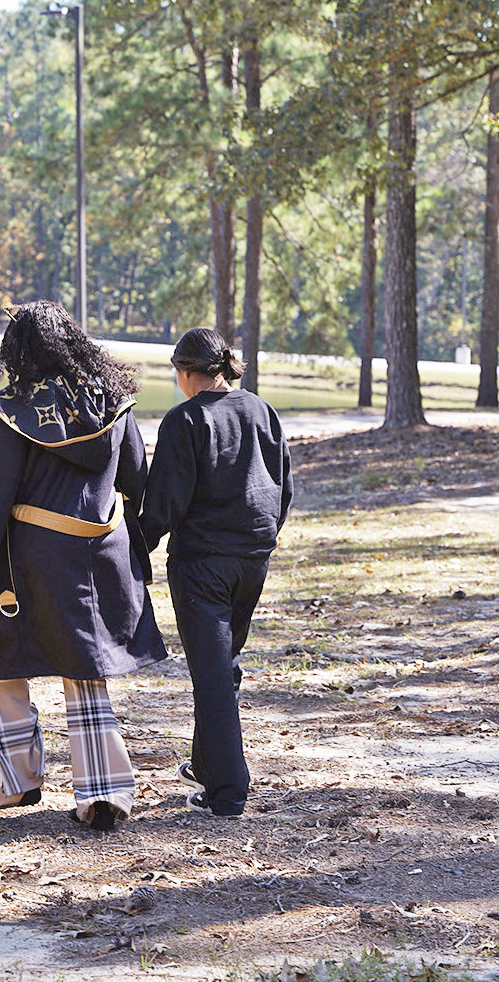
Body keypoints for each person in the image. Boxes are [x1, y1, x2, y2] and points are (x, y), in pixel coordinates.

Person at [0, 300, 166, 832]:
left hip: (23, 561)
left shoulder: (8, 413)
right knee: (85, 667)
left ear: (17, 351)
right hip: (99, 554)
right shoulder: (113, 403)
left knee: (0, 658)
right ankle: (104, 794)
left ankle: (17, 781)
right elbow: (135, 481)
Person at [140, 328, 292, 818]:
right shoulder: (261, 410)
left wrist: (133, 550)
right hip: (253, 559)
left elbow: (163, 503)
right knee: (221, 667)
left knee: (211, 676)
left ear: (186, 373)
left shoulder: (185, 420)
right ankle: (207, 766)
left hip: (202, 564)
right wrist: (262, 538)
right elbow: (283, 487)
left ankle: (227, 792)